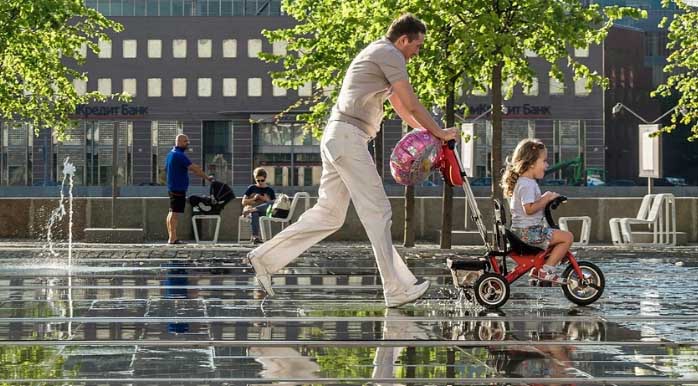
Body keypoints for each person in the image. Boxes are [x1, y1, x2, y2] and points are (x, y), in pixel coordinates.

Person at [246, 14, 459, 308]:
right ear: (403, 39)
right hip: (348, 137)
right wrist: (441, 131)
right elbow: (411, 102)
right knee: (379, 211)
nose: (417, 52)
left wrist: (431, 134)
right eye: (417, 45)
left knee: (330, 214)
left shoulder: (380, 54)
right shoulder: (389, 54)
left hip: (340, 136)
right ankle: (395, 288)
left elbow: (401, 108)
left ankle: (264, 258)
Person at [500, 138, 574, 283]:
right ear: (532, 163)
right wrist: (546, 198)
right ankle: (546, 270)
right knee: (567, 237)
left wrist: (547, 198)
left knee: (556, 236)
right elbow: (529, 209)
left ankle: (537, 268)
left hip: (524, 232)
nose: (547, 165)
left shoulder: (525, 182)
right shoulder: (527, 184)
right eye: (544, 161)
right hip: (528, 233)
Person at [165, 134, 212, 245]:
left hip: (173, 187)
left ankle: (172, 237)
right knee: (174, 213)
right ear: (179, 142)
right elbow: (194, 168)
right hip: (177, 188)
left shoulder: (170, 154)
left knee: (172, 211)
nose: (187, 143)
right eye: (186, 141)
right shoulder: (179, 155)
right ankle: (172, 239)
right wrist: (207, 177)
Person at [242, 167, 276, 244]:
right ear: (255, 179)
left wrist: (266, 200)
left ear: (265, 178)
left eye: (262, 180)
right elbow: (243, 202)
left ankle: (253, 209)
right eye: (258, 180)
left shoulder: (269, 190)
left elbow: (273, 204)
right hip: (252, 212)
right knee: (255, 213)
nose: (260, 182)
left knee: (271, 203)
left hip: (265, 211)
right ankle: (255, 237)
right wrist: (254, 198)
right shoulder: (252, 188)